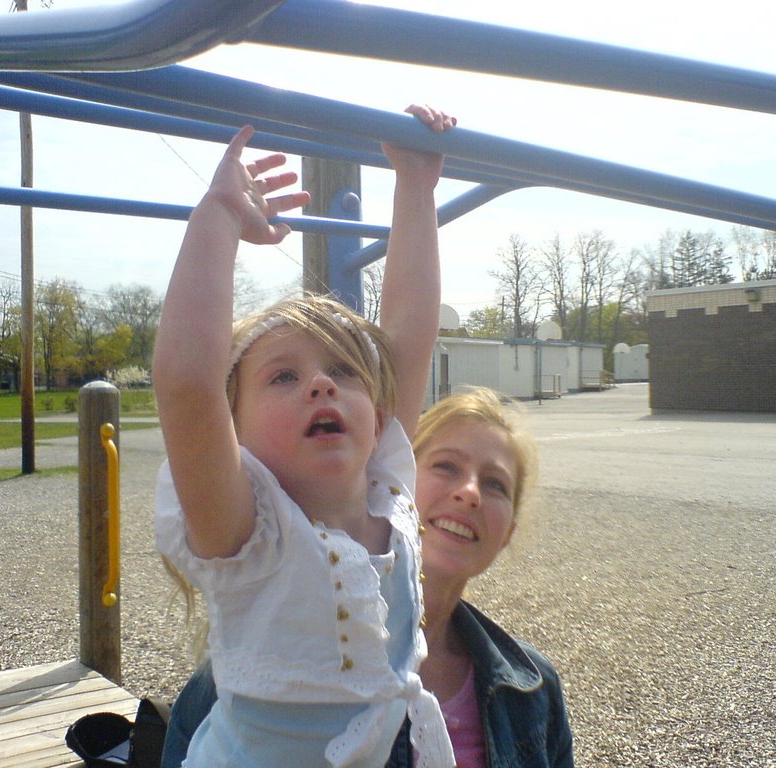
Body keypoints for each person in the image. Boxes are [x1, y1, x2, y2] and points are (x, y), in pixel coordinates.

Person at [152, 104, 458, 768]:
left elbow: (405, 335)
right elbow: (185, 383)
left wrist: (415, 188)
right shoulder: (246, 529)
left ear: (376, 413)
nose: (321, 385)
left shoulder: (386, 483)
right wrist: (220, 217)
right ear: (232, 434)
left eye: (342, 372)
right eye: (283, 377)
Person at [162, 387, 575, 768]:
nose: (470, 492)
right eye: (447, 466)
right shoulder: (255, 678)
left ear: (508, 534)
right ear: (394, 481)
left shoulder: (534, 692)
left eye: (495, 484)